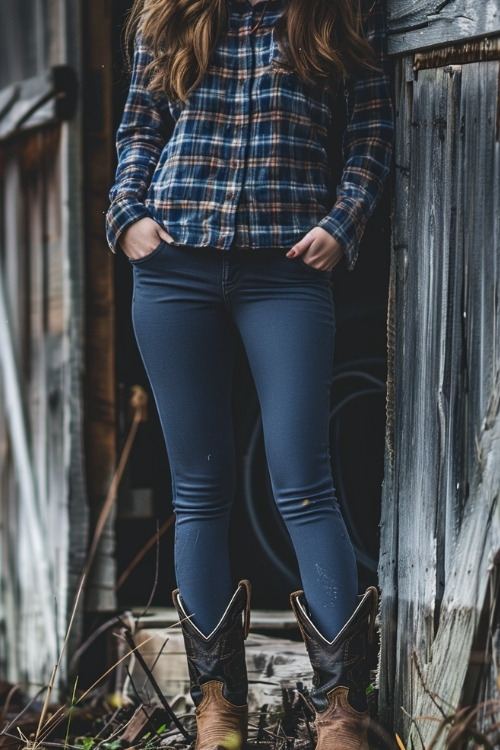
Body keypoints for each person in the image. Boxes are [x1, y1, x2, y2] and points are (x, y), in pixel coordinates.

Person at [106, 0, 393, 745]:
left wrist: (344, 221)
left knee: (304, 480)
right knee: (200, 492)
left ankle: (341, 710)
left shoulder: (340, 14)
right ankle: (217, 707)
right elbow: (140, 125)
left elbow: (370, 132)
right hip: (173, 271)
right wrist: (127, 213)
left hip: (286, 274)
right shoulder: (169, 15)